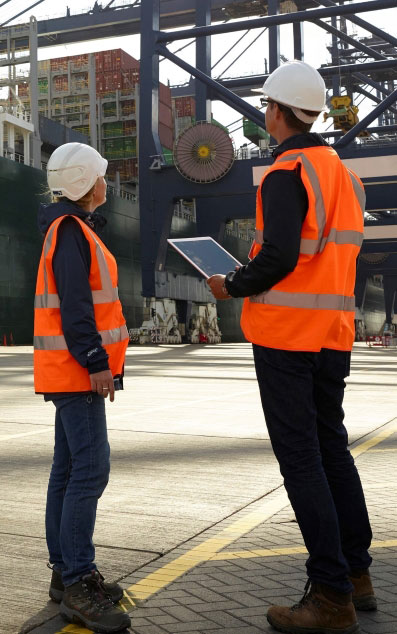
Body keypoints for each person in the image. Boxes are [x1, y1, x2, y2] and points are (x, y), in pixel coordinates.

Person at [207, 60, 374, 634]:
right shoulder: (343, 175)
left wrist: (231, 283)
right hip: (333, 337)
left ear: (274, 112)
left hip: (286, 338)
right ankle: (356, 574)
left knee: (301, 459)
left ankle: (330, 596)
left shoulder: (286, 172)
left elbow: (277, 257)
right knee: (333, 449)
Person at [34, 142, 131, 633]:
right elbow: (77, 308)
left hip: (66, 371)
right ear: (82, 184)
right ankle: (76, 581)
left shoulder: (67, 229)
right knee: (91, 470)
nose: (106, 183)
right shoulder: (71, 232)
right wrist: (97, 362)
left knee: (67, 468)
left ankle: (66, 572)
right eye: (100, 176)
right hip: (77, 371)